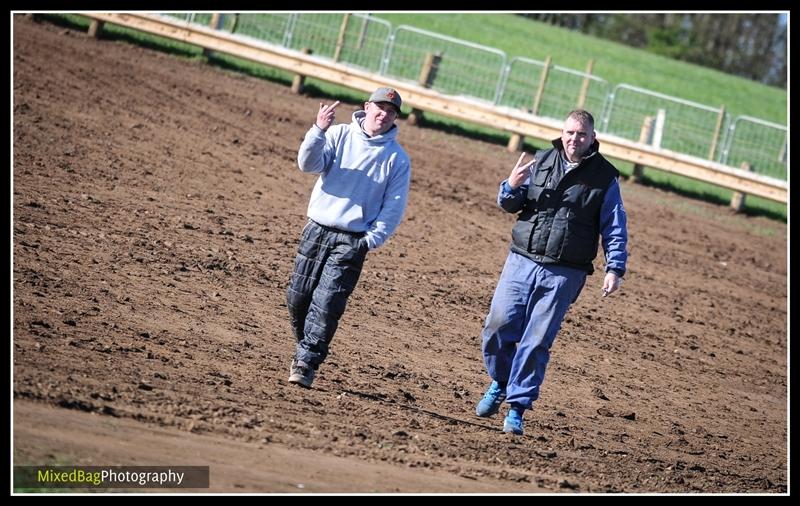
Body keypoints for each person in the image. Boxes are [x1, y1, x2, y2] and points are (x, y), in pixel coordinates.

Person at [475, 109, 628, 435]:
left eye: (582, 135)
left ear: (592, 138)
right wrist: (510, 187)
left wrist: (614, 266)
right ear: (562, 133)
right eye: (570, 133)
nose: (575, 139)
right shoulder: (541, 161)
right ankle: (501, 381)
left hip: (564, 272)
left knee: (536, 340)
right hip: (522, 260)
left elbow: (614, 226)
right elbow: (511, 205)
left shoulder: (604, 178)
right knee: (497, 326)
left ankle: (517, 407)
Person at [286, 87, 412, 388]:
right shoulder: (339, 135)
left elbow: (394, 205)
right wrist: (318, 129)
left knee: (327, 302)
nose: (384, 115)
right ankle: (307, 346)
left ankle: (306, 362)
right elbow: (308, 164)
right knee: (297, 297)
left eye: (391, 112)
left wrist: (370, 240)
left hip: (352, 240)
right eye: (380, 108)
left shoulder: (397, 159)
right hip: (317, 227)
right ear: (367, 107)